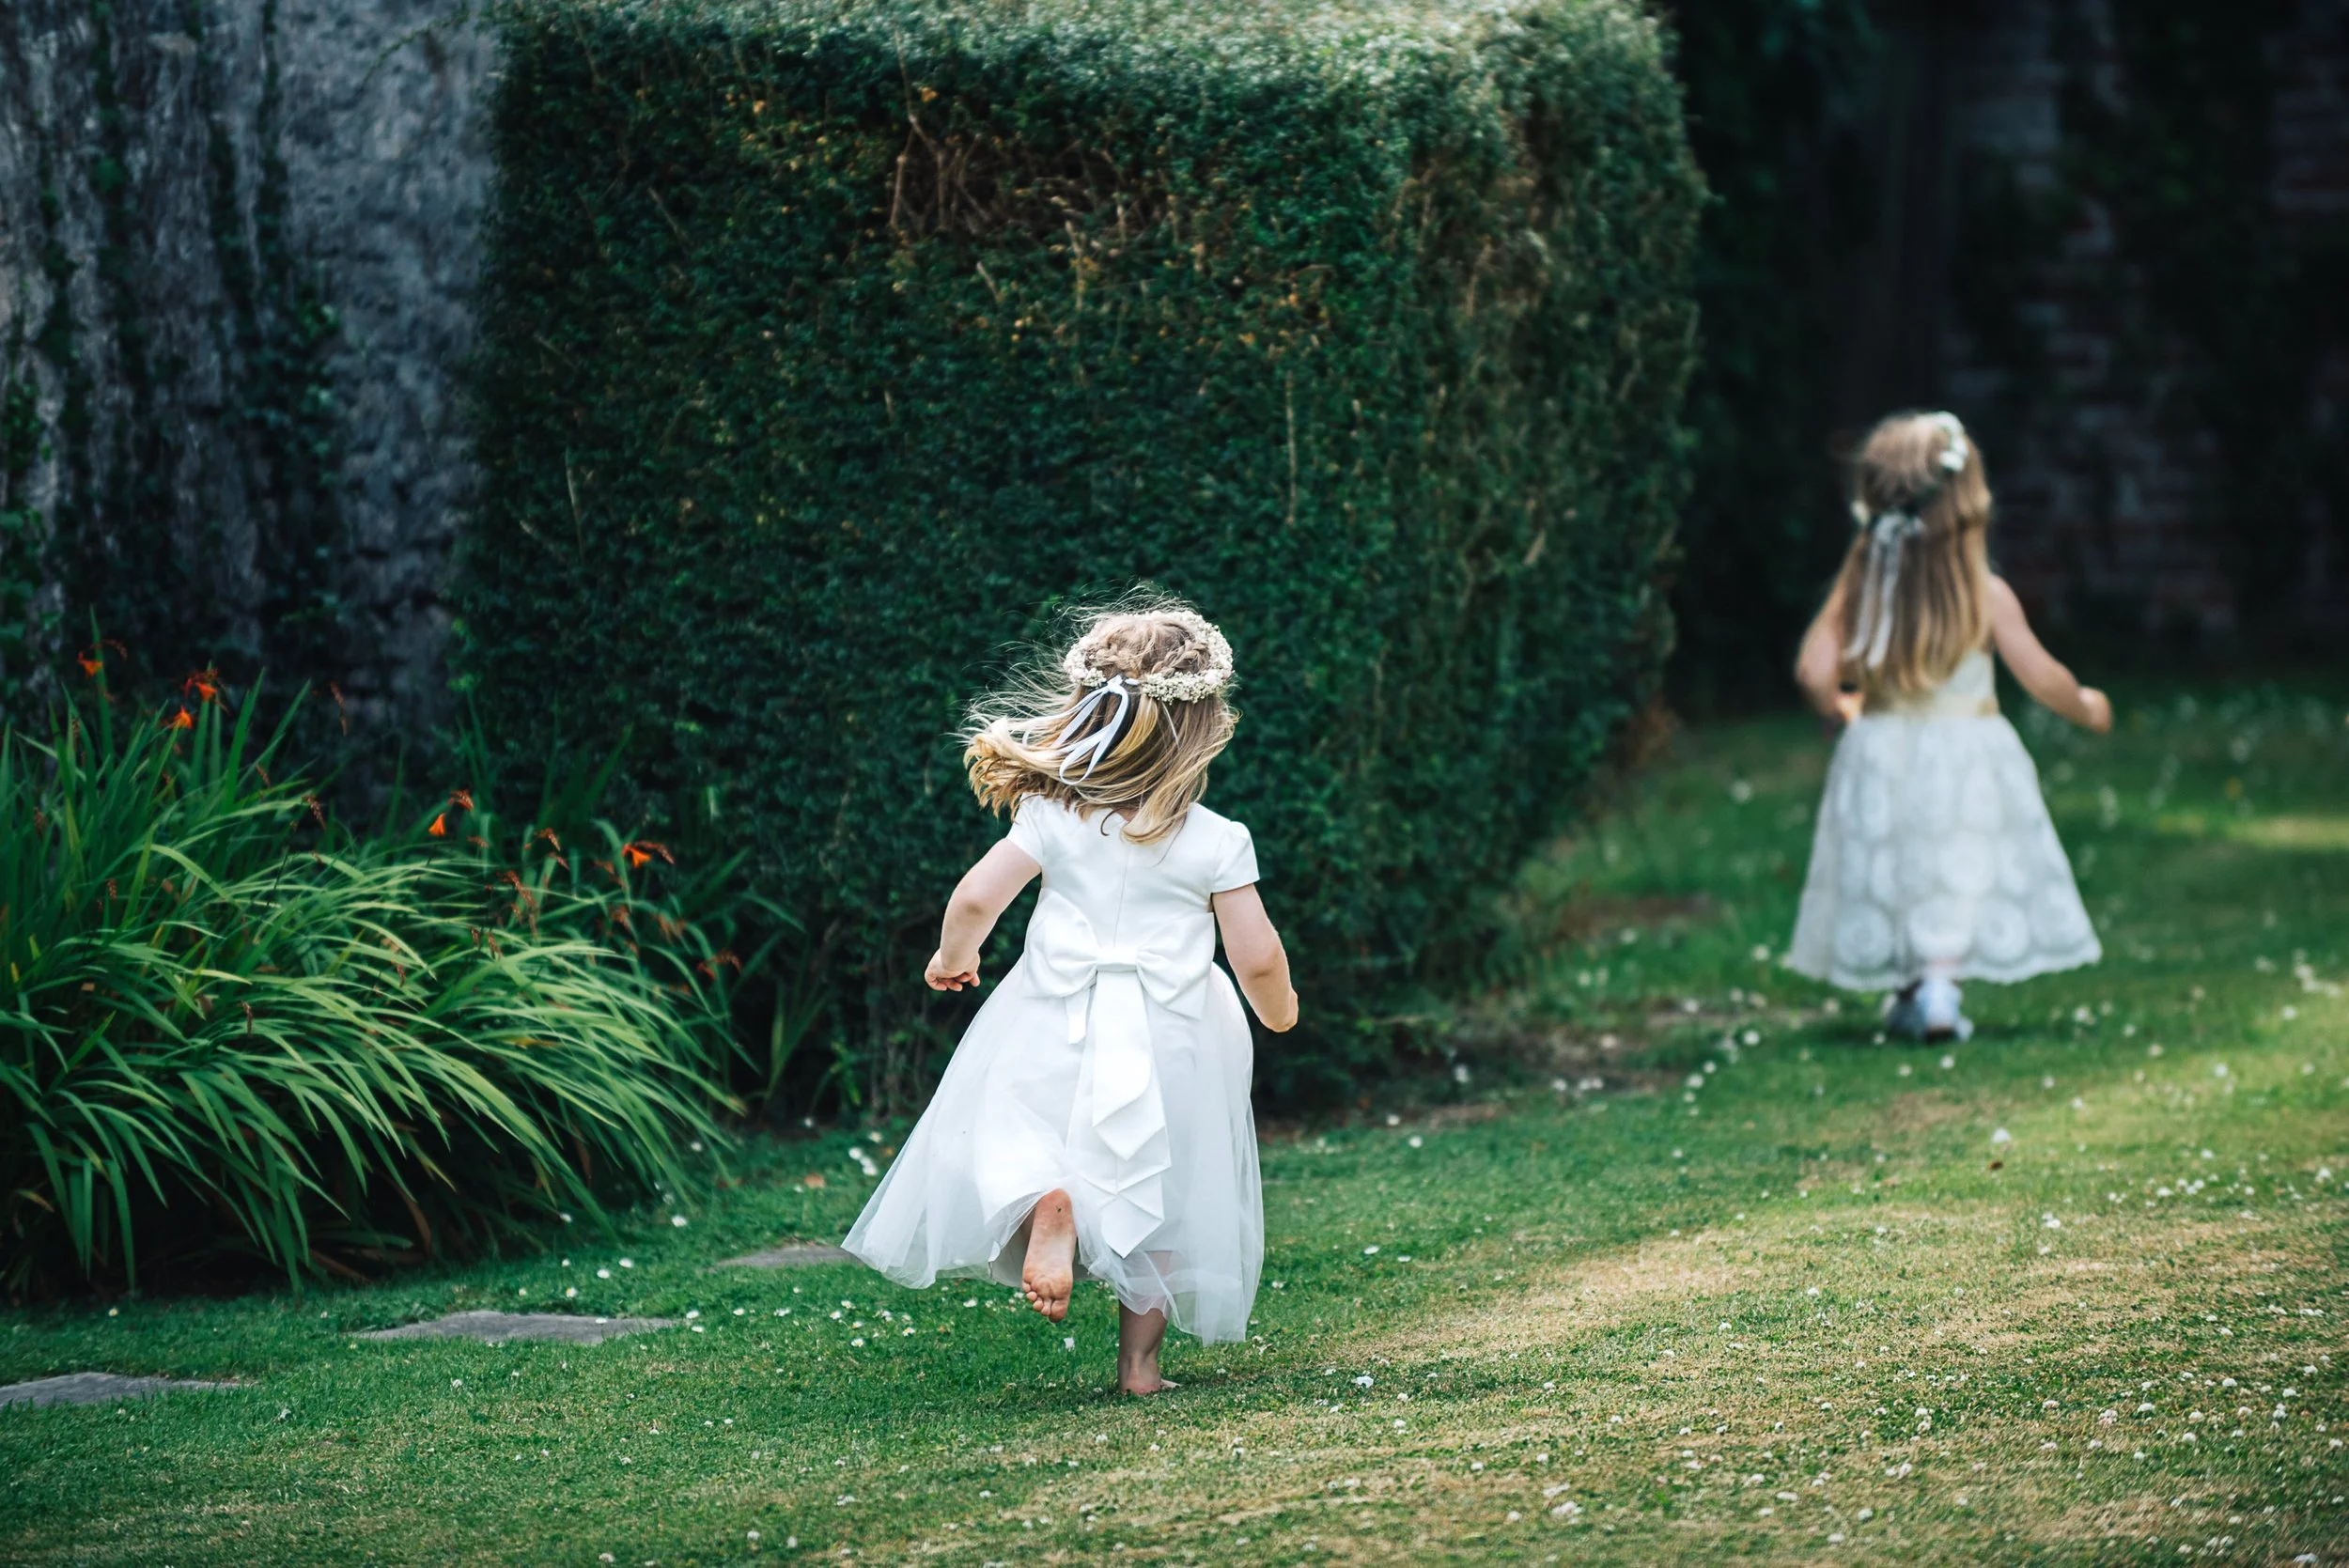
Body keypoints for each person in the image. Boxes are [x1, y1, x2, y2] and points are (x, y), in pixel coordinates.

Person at [843, 599, 1296, 1395]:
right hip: (1174, 1030)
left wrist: (955, 955)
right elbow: (1255, 953)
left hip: (1053, 1009)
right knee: (1164, 1186)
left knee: (1017, 1127)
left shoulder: (1049, 815)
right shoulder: (1218, 838)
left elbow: (979, 895)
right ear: (1200, 731)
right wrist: (1278, 1008)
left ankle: (1047, 1202)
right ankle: (1139, 1367)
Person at [1786, 411, 2110, 1042]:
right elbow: (2042, 677)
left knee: (1902, 867)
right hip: (1968, 751)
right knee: (1955, 866)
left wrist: (1840, 708)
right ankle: (1937, 987)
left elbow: (1813, 670)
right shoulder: (1986, 595)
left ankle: (1915, 989)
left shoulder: (1861, 590)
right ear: (1967, 504)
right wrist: (2090, 705)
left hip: (1879, 746)